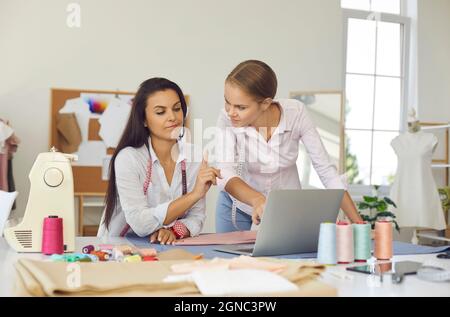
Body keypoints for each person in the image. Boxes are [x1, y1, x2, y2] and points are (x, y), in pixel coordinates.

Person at [215, 60, 362, 232]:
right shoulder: (227, 119)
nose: (231, 112)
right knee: (228, 259)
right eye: (227, 102)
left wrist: (359, 225)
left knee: (281, 258)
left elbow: (326, 172)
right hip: (237, 207)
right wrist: (256, 199)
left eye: (240, 107)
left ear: (265, 103)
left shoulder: (296, 114)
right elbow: (225, 171)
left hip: (283, 210)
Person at [98, 78, 221, 244]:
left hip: (165, 246)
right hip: (120, 247)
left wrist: (173, 231)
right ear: (143, 120)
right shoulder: (129, 158)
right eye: (160, 112)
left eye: (177, 109)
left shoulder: (195, 156)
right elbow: (140, 223)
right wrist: (194, 195)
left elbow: (196, 217)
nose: (172, 117)